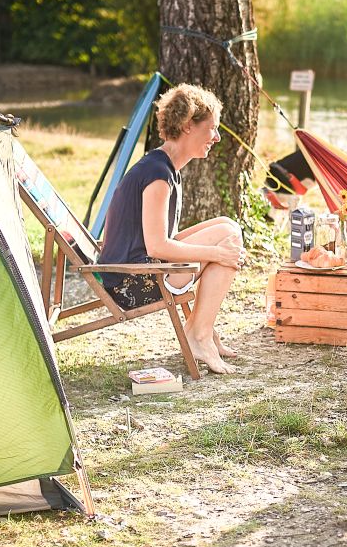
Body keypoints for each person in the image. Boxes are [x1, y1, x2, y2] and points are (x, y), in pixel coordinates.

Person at [96, 83, 244, 374]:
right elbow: (158, 246)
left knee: (229, 227)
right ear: (188, 126)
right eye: (212, 128)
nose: (216, 137)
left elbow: (160, 241)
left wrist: (218, 251)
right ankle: (199, 335)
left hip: (141, 268)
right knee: (227, 238)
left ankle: (201, 330)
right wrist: (217, 253)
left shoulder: (163, 166)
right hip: (131, 282)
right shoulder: (158, 175)